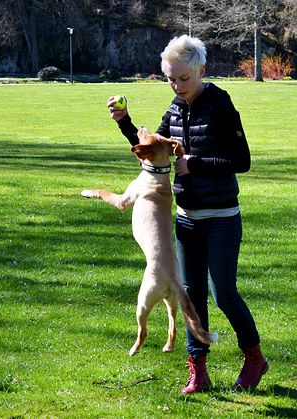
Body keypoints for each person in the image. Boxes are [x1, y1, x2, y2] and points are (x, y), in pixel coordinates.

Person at [107, 35, 268, 394]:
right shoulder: (175, 108)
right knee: (191, 295)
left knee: (223, 292)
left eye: (183, 79)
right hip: (187, 219)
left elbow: (242, 162)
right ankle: (197, 370)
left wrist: (195, 164)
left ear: (201, 70)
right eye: (170, 79)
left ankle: (254, 357)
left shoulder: (221, 105)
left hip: (222, 216)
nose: (177, 86)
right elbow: (150, 149)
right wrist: (124, 121)